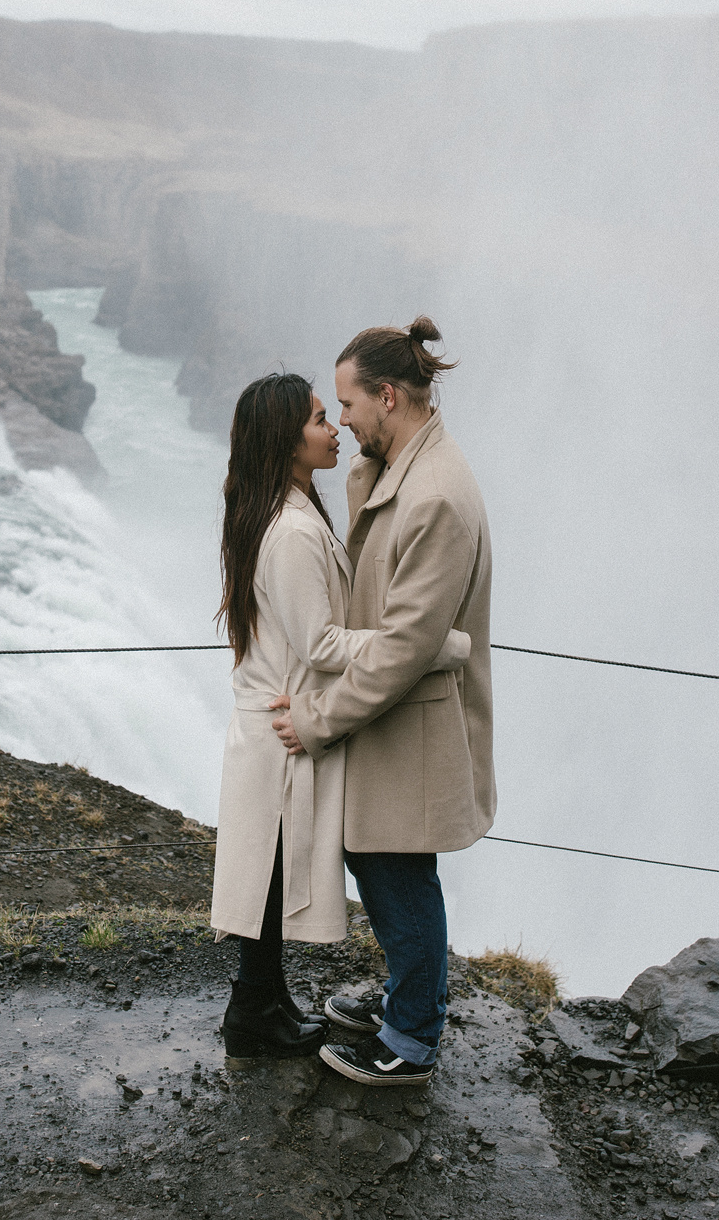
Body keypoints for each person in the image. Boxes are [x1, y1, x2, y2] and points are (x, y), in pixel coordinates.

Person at [211, 371, 471, 1063]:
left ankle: (262, 1006)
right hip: (281, 723)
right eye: (321, 419)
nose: (333, 430)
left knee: (263, 871)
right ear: (285, 440)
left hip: (271, 713)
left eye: (337, 414)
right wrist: (425, 647)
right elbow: (323, 644)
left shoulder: (280, 508)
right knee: (264, 873)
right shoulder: (291, 530)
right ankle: (254, 1013)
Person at [270, 317, 492, 1088]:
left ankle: (412, 1039)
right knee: (381, 860)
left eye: (349, 404)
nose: (343, 420)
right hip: (393, 719)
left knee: (399, 874)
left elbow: (401, 647)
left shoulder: (435, 497)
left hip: (409, 721)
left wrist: (317, 723)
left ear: (388, 396)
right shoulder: (404, 468)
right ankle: (407, 995)